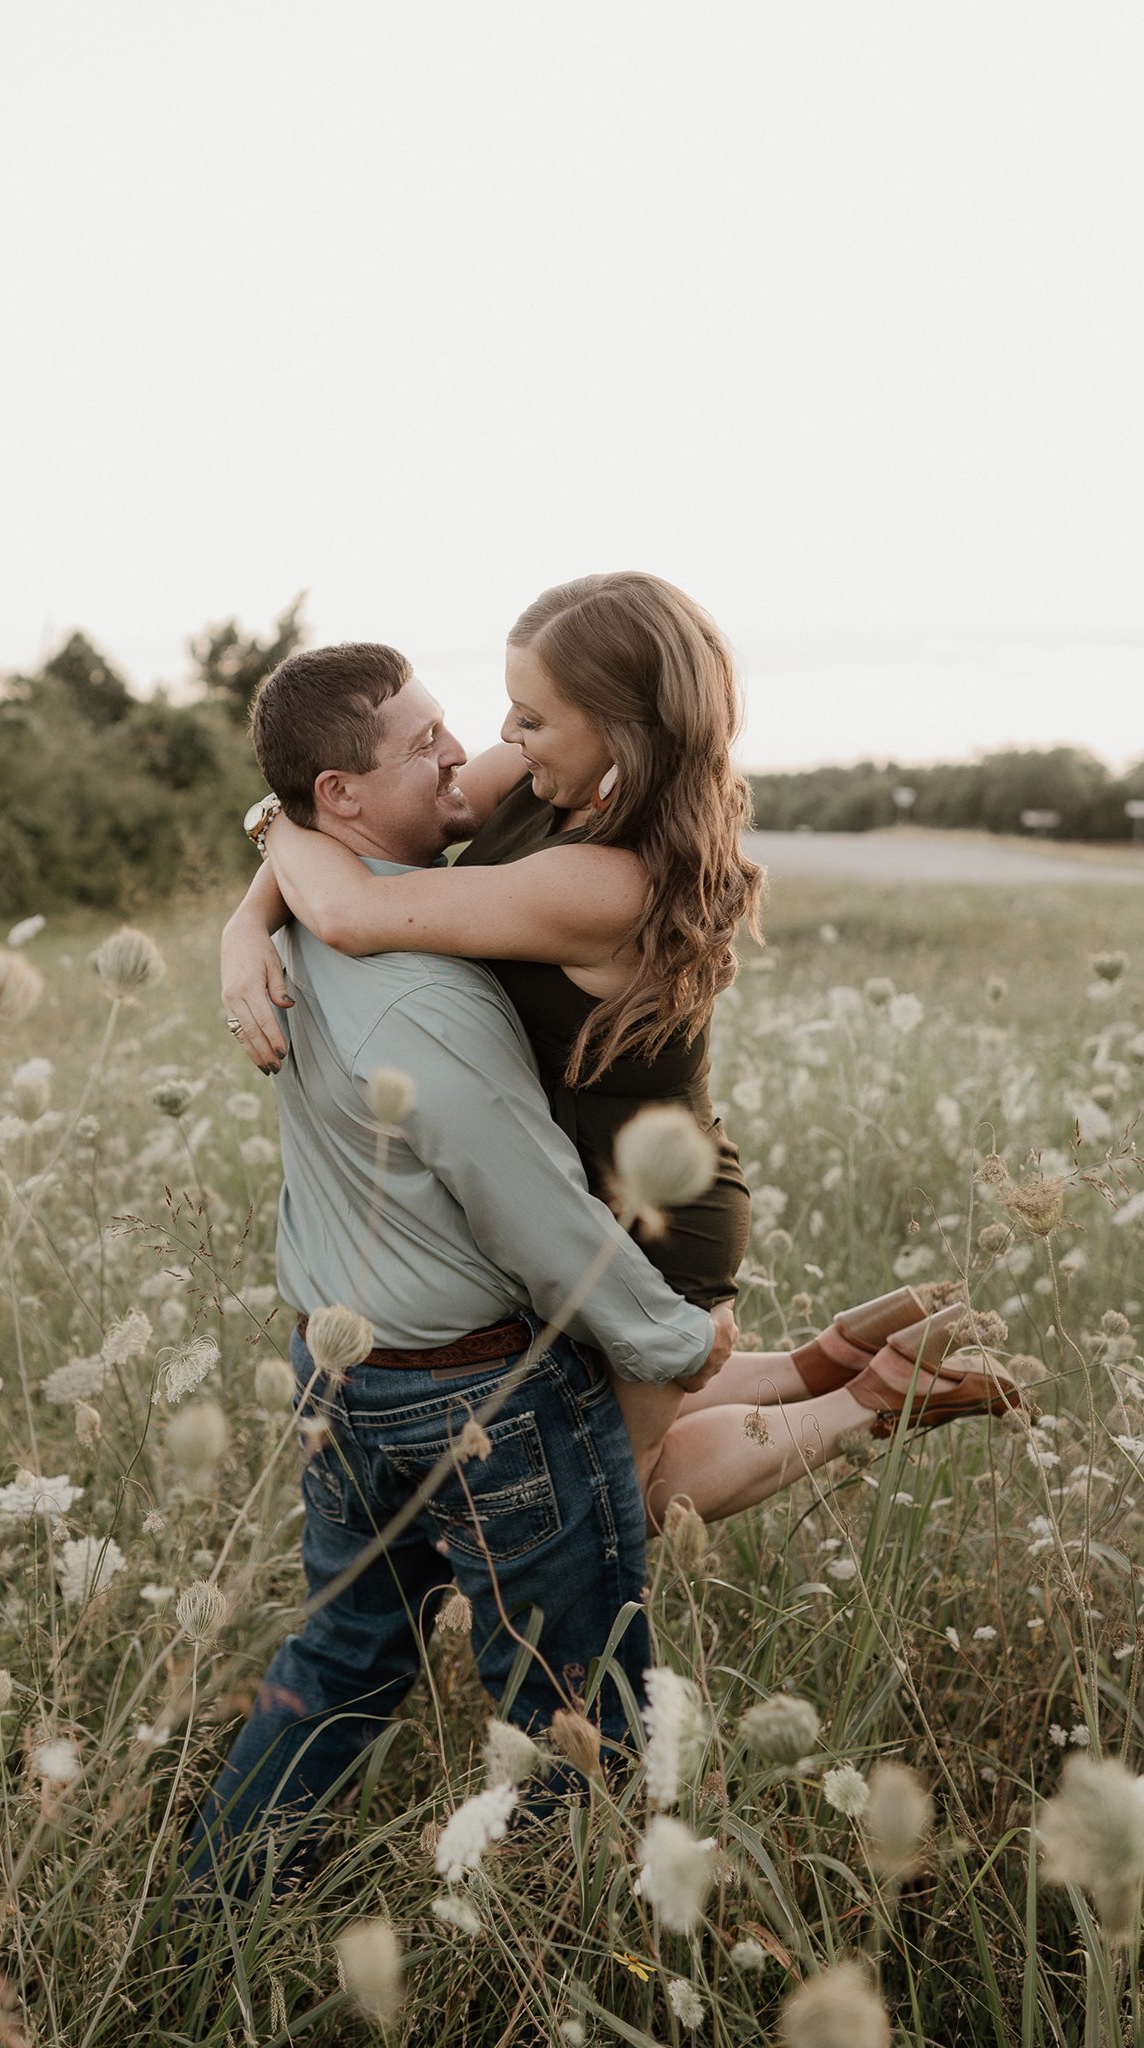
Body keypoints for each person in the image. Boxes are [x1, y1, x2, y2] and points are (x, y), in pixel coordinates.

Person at [222, 575, 1028, 1528]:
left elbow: (350, 906)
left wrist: (269, 829)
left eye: (531, 718)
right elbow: (348, 837)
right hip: (580, 1187)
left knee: (626, 1487)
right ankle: (828, 1359)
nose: (500, 740)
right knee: (602, 1419)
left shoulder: (609, 881)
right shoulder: (539, 778)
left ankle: (872, 1400)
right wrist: (248, 919)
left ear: (616, 728)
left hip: (648, 1211)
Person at [188, 640, 737, 1902]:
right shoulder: (421, 995)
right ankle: (567, 1932)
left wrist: (251, 896)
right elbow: (533, 1208)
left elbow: (307, 851)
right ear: (342, 797)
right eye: (426, 739)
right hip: (481, 1394)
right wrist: (662, 1339)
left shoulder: (342, 919)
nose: (467, 751)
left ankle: (216, 1901)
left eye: (485, 722)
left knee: (344, 1651)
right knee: (573, 1695)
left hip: (346, 1372)